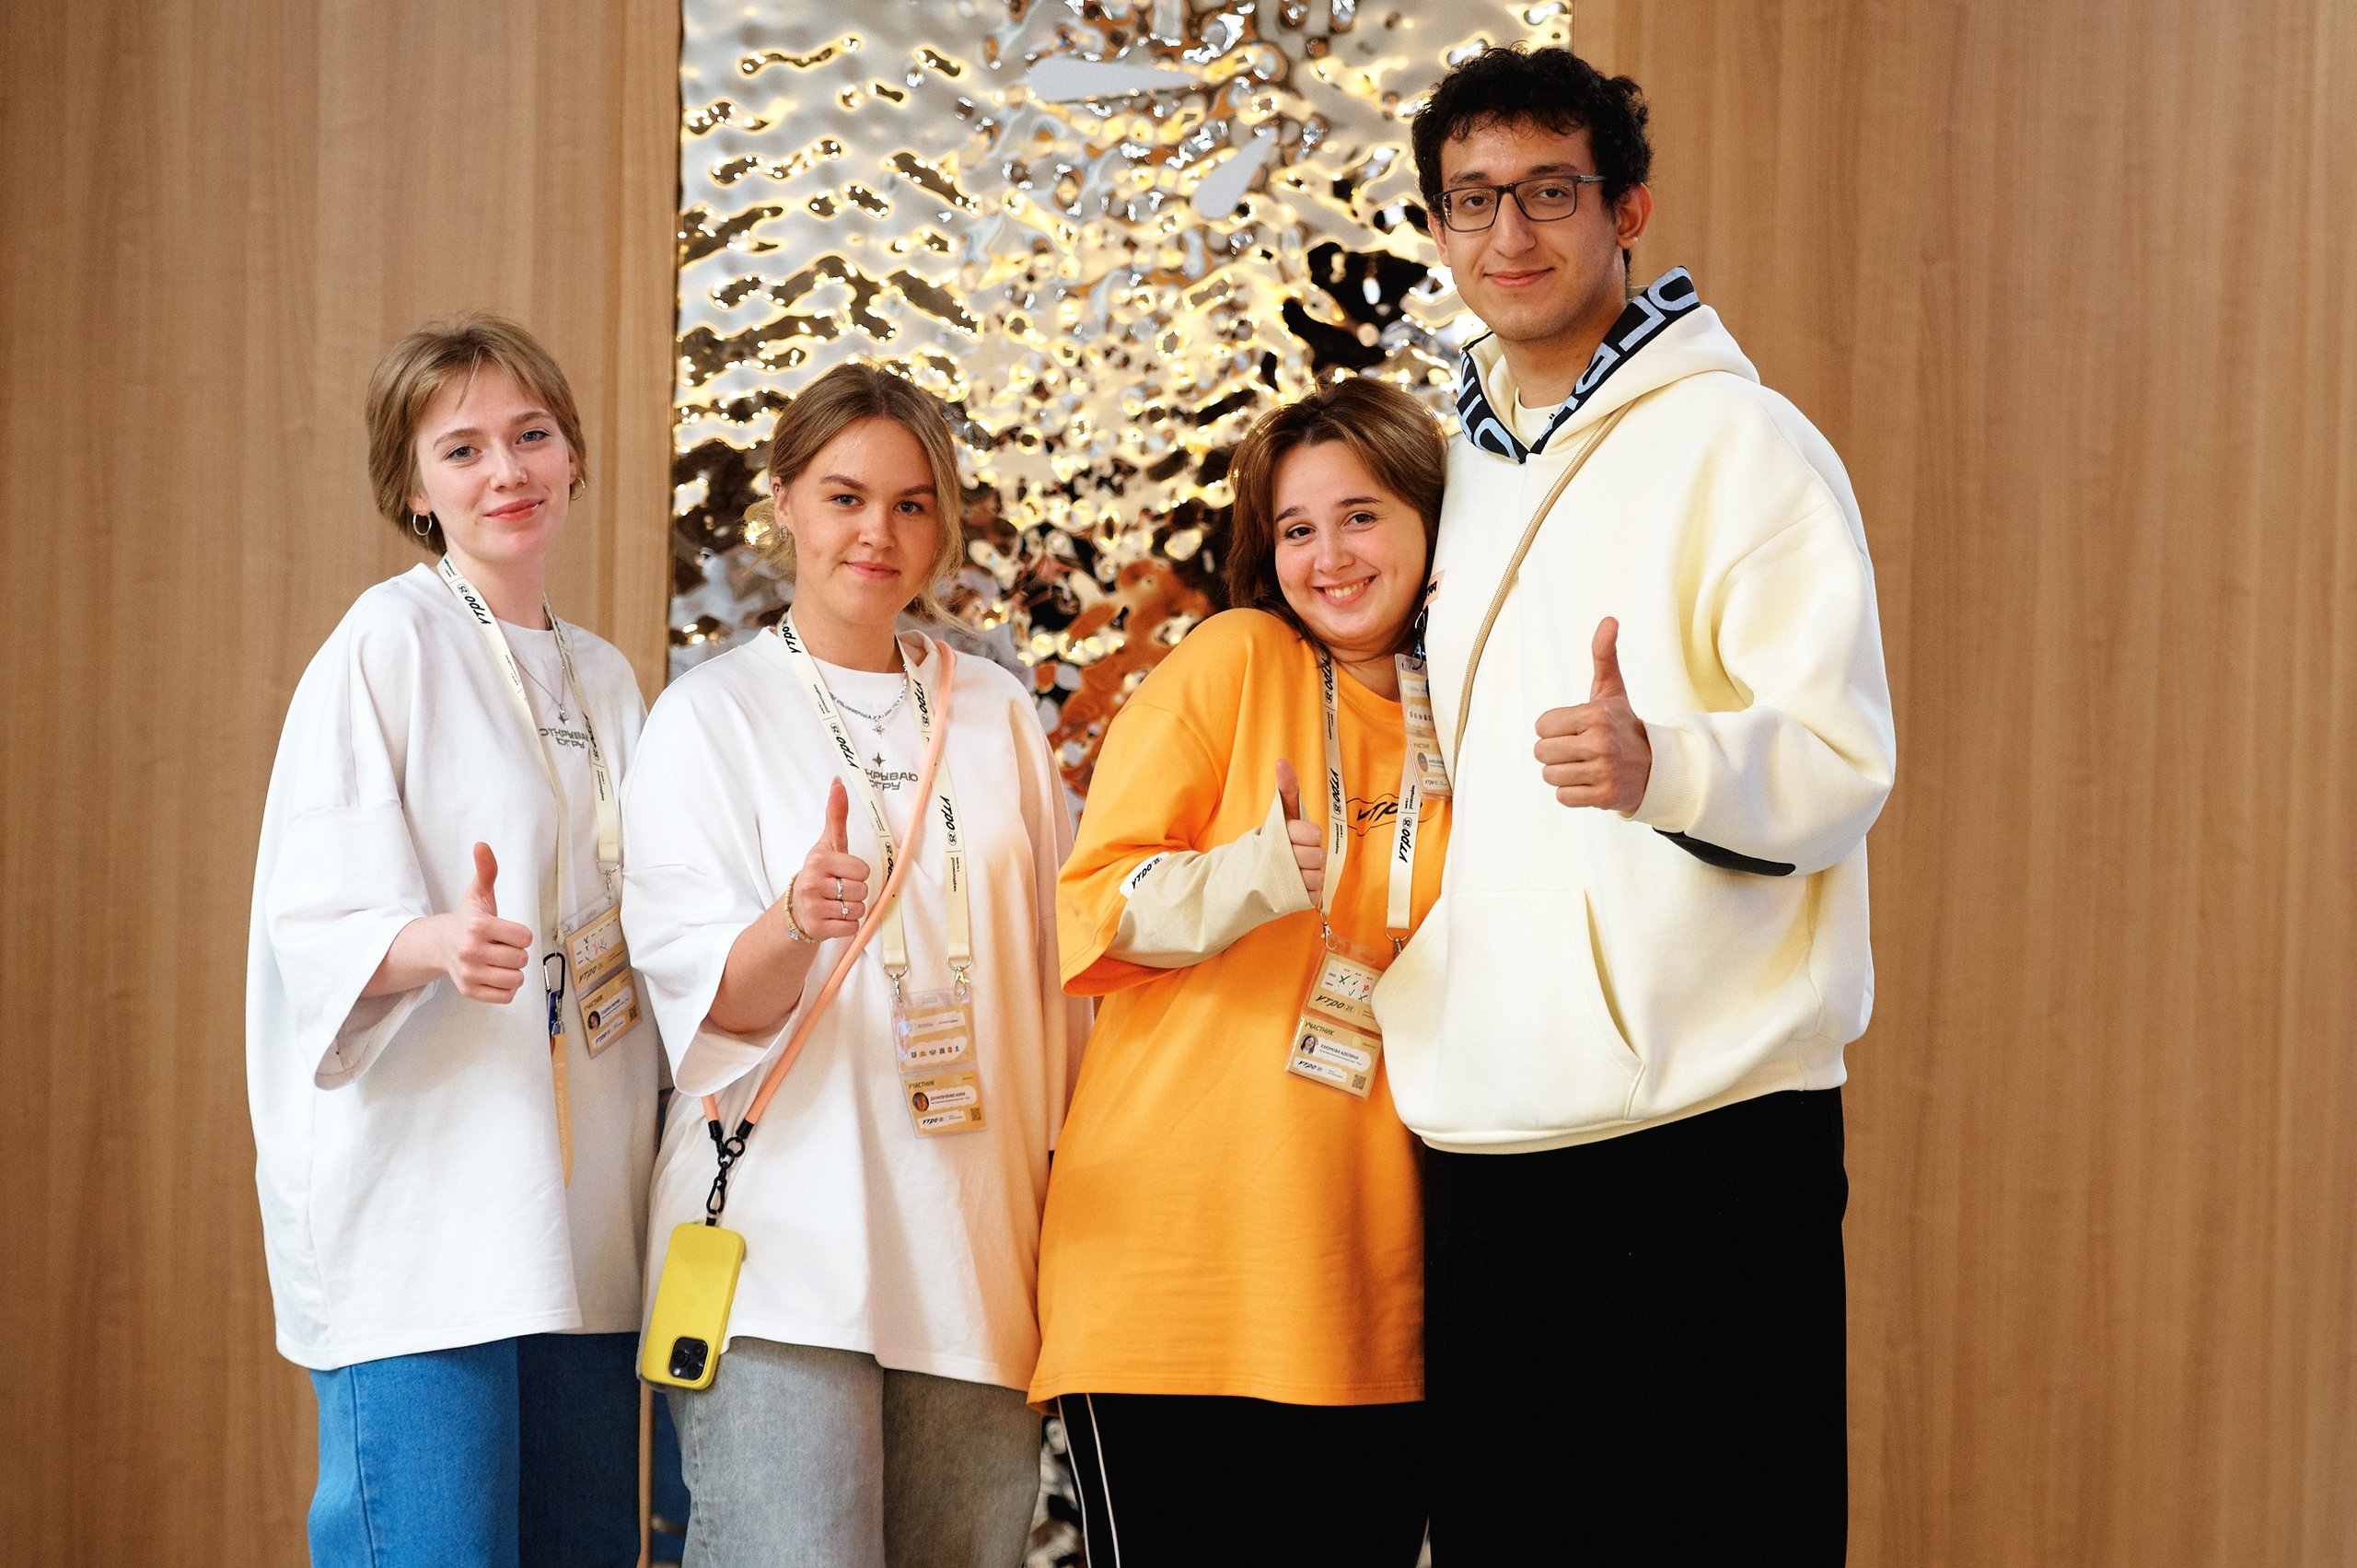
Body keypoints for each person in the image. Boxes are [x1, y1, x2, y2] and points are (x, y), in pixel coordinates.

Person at [1374, 44, 1898, 1562]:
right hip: (1489, 1119)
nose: (1510, 233)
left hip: (1707, 1121)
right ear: (1438, 230)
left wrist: (1664, 765)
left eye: (1551, 191)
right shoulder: (1451, 470)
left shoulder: (1743, 444)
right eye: (1473, 200)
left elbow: (1842, 757)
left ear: (1630, 211)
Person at [621, 363, 1085, 1568]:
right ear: (783, 501)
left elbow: (1066, 972)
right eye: (845, 497)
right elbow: (705, 1005)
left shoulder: (994, 711)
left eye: (911, 504)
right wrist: (794, 919)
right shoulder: (710, 717)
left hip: (976, 1249)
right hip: (783, 1247)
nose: (878, 531)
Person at [246, 315, 658, 1568]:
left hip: (585, 1224)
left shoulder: (606, 678)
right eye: (464, 449)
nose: (507, 472)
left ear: (573, 456)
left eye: (532, 436)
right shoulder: (390, 641)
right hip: (430, 1221)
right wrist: (437, 942)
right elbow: (310, 921)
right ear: (415, 489)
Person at [1033, 377, 1451, 1565]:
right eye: (1296, 528)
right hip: (1177, 1275)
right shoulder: (1238, 657)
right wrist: (1250, 876)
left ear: (1430, 520)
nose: (1330, 556)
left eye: (1361, 515)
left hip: (1370, 1290)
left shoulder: (1470, 712)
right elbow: (1088, 908)